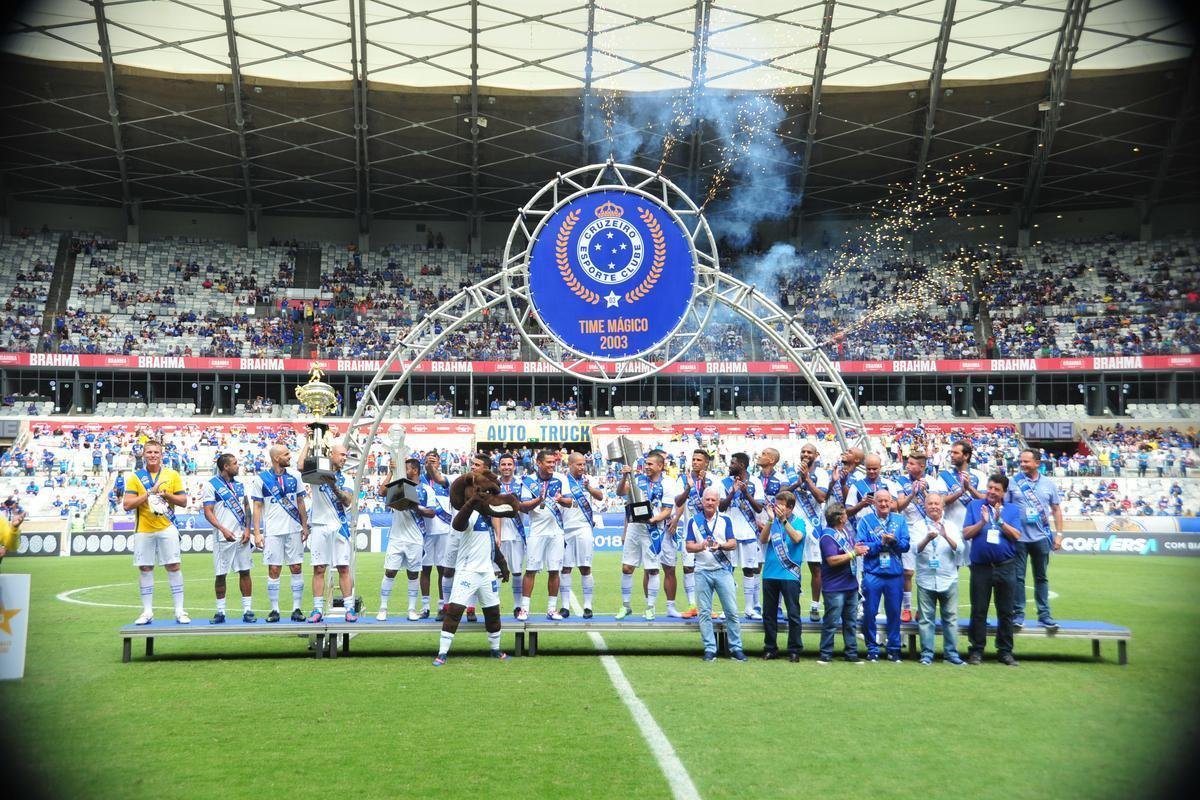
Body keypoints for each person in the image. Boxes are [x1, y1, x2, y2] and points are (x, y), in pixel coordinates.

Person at [433, 478, 511, 666]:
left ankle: (495, 648)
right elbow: (458, 524)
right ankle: (442, 652)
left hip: (486, 573)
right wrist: (472, 502)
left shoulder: (488, 517)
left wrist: (502, 565)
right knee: (454, 612)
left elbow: (492, 546)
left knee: (493, 612)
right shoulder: (470, 514)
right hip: (467, 571)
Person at [124, 440, 190, 625]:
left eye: (156, 452)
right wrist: (149, 493)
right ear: (144, 454)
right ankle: (147, 612)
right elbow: (127, 504)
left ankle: (179, 610)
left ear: (161, 455)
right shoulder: (136, 477)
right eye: (149, 452)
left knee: (174, 566)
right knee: (145, 568)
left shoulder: (172, 474)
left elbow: (183, 501)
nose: (152, 455)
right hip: (143, 529)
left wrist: (166, 495)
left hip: (167, 527)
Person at [962, 474, 1023, 666]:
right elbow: (966, 534)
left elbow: (1016, 535)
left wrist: (1000, 521)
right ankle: (976, 650)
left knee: (1006, 611)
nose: (992, 492)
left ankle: (1005, 651)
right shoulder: (974, 506)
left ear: (1004, 492)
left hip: (1005, 566)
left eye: (997, 489)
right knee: (979, 610)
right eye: (990, 487)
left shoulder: (1012, 509)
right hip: (981, 567)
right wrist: (982, 522)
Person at [684, 487, 747, 662]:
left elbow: (733, 543)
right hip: (702, 571)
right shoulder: (694, 521)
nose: (710, 503)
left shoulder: (725, 520)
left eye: (713, 500)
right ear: (702, 501)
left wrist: (720, 546)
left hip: (722, 570)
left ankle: (736, 648)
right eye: (707, 499)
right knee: (704, 613)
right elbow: (689, 546)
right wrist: (701, 545)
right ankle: (710, 649)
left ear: (718, 502)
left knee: (731, 611)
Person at [1006, 448, 1064, 630]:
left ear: (1037, 463)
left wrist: (1059, 534)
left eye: (1026, 461)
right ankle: (1018, 615)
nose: (1022, 464)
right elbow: (1005, 507)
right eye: (1021, 461)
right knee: (1018, 578)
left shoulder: (1048, 484)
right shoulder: (1013, 482)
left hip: (1041, 537)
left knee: (1041, 577)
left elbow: (1056, 510)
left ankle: (1044, 615)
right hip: (1018, 538)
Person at [251, 444, 310, 623]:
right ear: (276, 458)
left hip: (294, 529)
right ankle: (274, 610)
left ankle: (296, 608)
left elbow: (300, 502)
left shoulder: (295, 476)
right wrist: (257, 533)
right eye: (286, 454)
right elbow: (257, 506)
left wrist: (305, 525)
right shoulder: (261, 479)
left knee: (296, 567)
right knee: (274, 569)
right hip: (273, 532)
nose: (289, 456)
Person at [615, 449, 672, 619]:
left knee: (652, 569)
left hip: (653, 529)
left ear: (660, 466)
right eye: (645, 463)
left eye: (650, 464)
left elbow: (667, 510)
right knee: (626, 567)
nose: (646, 466)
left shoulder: (667, 484)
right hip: (634, 526)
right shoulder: (637, 479)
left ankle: (650, 607)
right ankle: (626, 606)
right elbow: (620, 492)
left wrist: (653, 519)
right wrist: (624, 477)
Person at [378, 457, 435, 620]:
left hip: (415, 538)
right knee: (390, 571)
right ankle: (383, 608)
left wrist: (414, 506)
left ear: (415, 470)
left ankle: (411, 609)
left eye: (406, 468)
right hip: (396, 537)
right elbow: (382, 492)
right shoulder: (399, 485)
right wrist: (391, 472)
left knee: (413, 574)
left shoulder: (426, 489)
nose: (403, 471)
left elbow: (432, 512)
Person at [855, 488, 909, 662]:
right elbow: (861, 546)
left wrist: (894, 541)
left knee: (894, 613)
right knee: (869, 612)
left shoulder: (900, 520)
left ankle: (894, 649)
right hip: (873, 573)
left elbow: (906, 546)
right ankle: (872, 648)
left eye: (887, 501)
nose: (884, 504)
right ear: (875, 503)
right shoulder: (865, 521)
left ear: (891, 502)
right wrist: (880, 543)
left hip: (894, 574)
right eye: (880, 501)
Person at [305, 442, 356, 623]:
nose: (344, 458)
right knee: (319, 568)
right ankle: (317, 609)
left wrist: (333, 486)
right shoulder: (316, 474)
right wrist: (308, 442)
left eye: (346, 455)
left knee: (343, 568)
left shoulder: (347, 479)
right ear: (331, 455)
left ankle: (349, 608)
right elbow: (301, 466)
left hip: (339, 526)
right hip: (319, 525)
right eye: (341, 454)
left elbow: (348, 501)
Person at [201, 453, 255, 624]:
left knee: (245, 572)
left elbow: (247, 508)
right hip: (222, 538)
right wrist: (222, 529)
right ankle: (220, 612)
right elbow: (208, 511)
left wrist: (248, 529)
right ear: (226, 466)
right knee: (220, 574)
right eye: (235, 463)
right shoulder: (211, 485)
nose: (238, 466)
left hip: (242, 536)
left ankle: (247, 610)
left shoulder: (240, 485)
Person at [893, 453, 947, 623]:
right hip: (908, 529)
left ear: (922, 466)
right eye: (907, 463)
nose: (907, 466)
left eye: (911, 463)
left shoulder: (934, 482)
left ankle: (923, 609)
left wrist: (925, 491)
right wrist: (912, 493)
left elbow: (939, 505)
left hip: (928, 529)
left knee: (929, 569)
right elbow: (898, 506)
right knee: (907, 572)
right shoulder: (901, 481)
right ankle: (906, 608)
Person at [914, 494, 964, 665]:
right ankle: (927, 654)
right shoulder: (919, 526)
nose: (934, 506)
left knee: (950, 618)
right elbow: (914, 549)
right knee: (926, 619)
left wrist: (946, 536)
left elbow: (960, 549)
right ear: (925, 506)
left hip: (948, 577)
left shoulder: (951, 526)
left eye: (937, 503)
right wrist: (927, 539)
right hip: (926, 578)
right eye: (930, 503)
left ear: (943, 506)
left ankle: (951, 654)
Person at [517, 450, 567, 621]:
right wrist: (539, 499)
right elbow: (523, 506)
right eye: (549, 462)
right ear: (539, 463)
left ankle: (552, 609)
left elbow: (570, 502)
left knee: (554, 571)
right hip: (537, 531)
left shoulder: (561, 478)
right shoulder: (528, 481)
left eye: (554, 462)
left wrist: (561, 500)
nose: (552, 465)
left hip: (556, 531)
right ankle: (524, 609)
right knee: (530, 570)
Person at [756, 490, 806, 661]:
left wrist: (784, 521)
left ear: (790, 507)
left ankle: (794, 649)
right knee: (769, 614)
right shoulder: (773, 522)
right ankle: (770, 648)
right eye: (776, 504)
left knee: (793, 614)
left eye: (781, 505)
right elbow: (763, 539)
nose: (776, 508)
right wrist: (770, 520)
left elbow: (797, 538)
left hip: (790, 574)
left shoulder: (799, 522)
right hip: (770, 573)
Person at [817, 504, 867, 664]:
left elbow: (847, 552)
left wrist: (855, 549)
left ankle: (851, 653)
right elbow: (832, 560)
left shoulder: (845, 532)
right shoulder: (827, 536)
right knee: (831, 622)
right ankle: (826, 653)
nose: (847, 516)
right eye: (845, 514)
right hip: (835, 586)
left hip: (850, 584)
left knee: (851, 622)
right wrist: (854, 553)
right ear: (839, 518)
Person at [671, 449, 715, 617]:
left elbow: (714, 503)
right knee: (688, 567)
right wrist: (689, 487)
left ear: (706, 463)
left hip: (709, 530)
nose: (695, 462)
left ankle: (708, 606)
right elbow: (678, 501)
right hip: (690, 529)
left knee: (709, 567)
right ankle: (692, 604)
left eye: (699, 460)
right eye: (694, 459)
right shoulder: (683, 479)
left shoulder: (713, 480)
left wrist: (703, 484)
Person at [720, 452, 764, 620]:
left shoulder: (755, 482)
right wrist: (732, 492)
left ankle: (749, 608)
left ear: (742, 465)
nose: (730, 465)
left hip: (748, 532)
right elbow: (721, 507)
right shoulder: (724, 482)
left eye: (733, 463)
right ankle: (728, 608)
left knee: (749, 569)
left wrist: (746, 493)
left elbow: (759, 508)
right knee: (728, 571)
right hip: (729, 533)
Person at [787, 443, 828, 622]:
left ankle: (814, 607)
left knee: (816, 568)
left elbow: (821, 497)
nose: (805, 454)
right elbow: (782, 495)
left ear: (816, 455)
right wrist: (797, 482)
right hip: (794, 525)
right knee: (791, 567)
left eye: (809, 452)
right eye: (803, 451)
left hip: (814, 526)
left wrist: (807, 479)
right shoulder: (790, 472)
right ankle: (792, 606)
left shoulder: (822, 474)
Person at [559, 451, 603, 618]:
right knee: (565, 568)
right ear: (570, 465)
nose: (582, 467)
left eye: (584, 464)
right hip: (565, 528)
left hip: (584, 527)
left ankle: (587, 606)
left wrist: (588, 488)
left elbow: (600, 497)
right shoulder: (562, 481)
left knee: (585, 567)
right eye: (579, 464)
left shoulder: (589, 479)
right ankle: (565, 606)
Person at [419, 451, 454, 621]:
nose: (431, 464)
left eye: (434, 461)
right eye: (428, 461)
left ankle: (442, 606)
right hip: (425, 531)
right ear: (423, 463)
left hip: (444, 530)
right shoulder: (419, 481)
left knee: (443, 569)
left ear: (439, 463)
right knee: (425, 569)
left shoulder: (446, 480)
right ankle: (425, 607)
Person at [495, 453, 528, 618]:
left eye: (509, 464)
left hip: (516, 535)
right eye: (503, 464)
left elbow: (526, 508)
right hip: (498, 536)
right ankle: (494, 606)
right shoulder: (493, 485)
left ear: (514, 466)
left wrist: (514, 504)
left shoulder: (522, 484)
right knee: (497, 572)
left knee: (516, 572)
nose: (506, 467)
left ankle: (517, 606)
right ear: (499, 466)